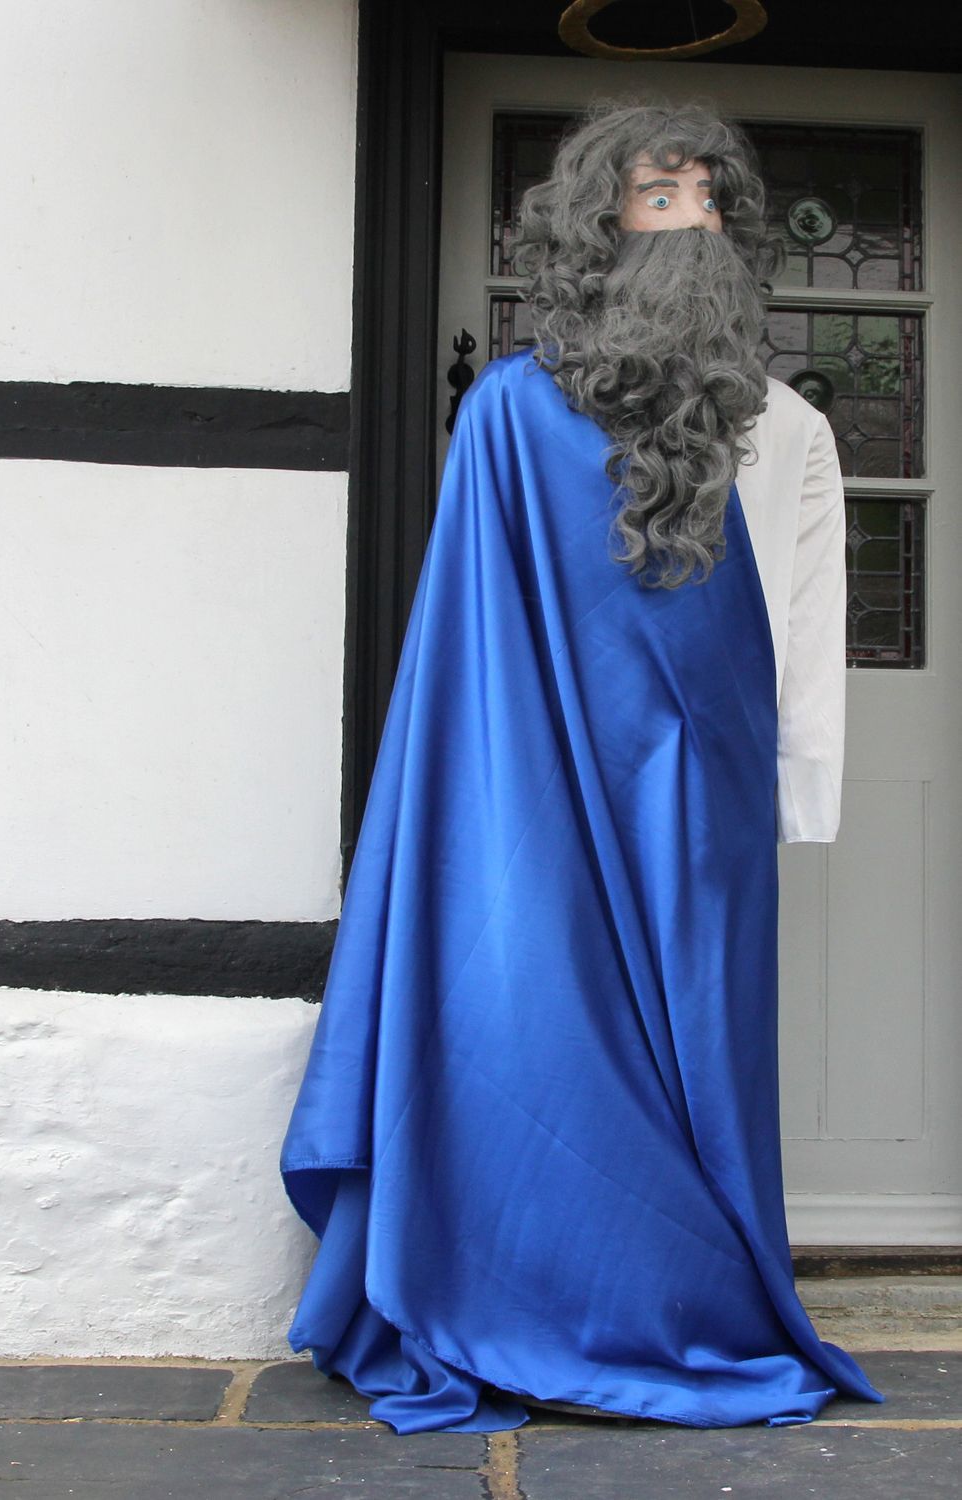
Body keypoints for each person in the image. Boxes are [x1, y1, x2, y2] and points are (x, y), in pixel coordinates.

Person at [277, 96, 885, 1434]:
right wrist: (479, 801)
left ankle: (698, 1302)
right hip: (534, 784)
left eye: (708, 199)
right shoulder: (507, 412)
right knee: (525, 1018)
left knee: (699, 1050)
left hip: (703, 799)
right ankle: (521, 1286)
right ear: (598, 225)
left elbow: (805, 627)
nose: (688, 222)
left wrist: (793, 795)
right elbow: (468, 628)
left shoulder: (790, 425)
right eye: (658, 196)